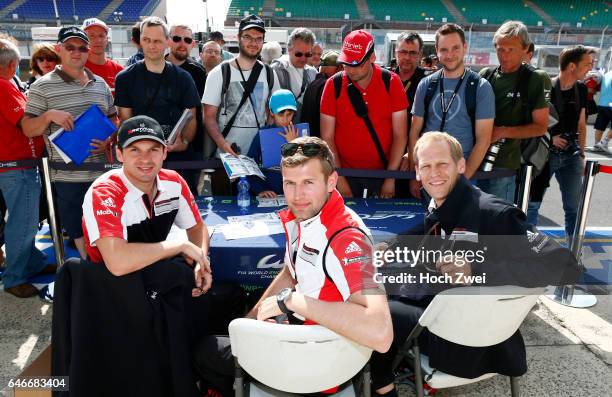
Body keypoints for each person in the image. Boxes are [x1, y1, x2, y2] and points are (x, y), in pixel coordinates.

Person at [369, 132, 580, 397]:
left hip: (467, 346)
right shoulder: (446, 204)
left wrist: (477, 269)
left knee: (371, 306)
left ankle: (380, 385)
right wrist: (391, 245)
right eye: (426, 166)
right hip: (454, 327)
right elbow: (429, 227)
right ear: (418, 174)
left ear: (460, 165)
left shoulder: (494, 213)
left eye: (442, 164)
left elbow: (565, 266)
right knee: (383, 281)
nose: (434, 173)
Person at [193, 136, 393, 396]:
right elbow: (291, 271)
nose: (298, 195)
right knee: (241, 310)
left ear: (331, 182)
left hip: (318, 362)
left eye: (308, 183)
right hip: (308, 338)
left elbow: (381, 332)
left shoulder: (347, 238)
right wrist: (250, 320)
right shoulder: (307, 215)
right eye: (290, 183)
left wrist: (293, 301)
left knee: (203, 351)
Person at [55, 115, 211, 396]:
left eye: (153, 149)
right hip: (108, 295)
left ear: (165, 152)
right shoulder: (105, 191)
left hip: (153, 284)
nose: (145, 159)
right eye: (134, 150)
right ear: (118, 154)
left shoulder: (173, 182)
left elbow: (198, 228)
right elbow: (117, 263)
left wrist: (202, 260)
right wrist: (179, 247)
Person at [21, 26, 118, 260]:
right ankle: (90, 275)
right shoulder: (41, 86)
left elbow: (113, 117)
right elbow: (27, 129)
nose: (77, 52)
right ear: (59, 49)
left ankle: (106, 275)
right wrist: (48, 116)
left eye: (82, 47)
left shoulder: (100, 84)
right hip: (67, 177)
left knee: (106, 229)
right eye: (70, 47)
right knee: (77, 231)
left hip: (102, 174)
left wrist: (107, 139)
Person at [114, 17, 201, 194]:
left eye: (157, 41)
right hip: (141, 160)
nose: (151, 46)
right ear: (140, 41)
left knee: (181, 213)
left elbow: (191, 117)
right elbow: (125, 120)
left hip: (178, 159)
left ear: (167, 42)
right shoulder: (125, 78)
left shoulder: (183, 78)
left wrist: (183, 142)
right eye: (146, 40)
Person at [406, 24, 495, 198]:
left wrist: (463, 182)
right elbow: (414, 132)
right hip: (428, 177)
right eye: (444, 49)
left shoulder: (480, 87)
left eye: (455, 48)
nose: (450, 55)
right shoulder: (426, 85)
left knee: (460, 225)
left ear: (465, 48)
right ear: (437, 51)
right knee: (429, 224)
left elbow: (484, 139)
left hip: (462, 175)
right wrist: (415, 175)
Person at [320, 30, 408, 198]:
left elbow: (400, 135)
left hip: (383, 173)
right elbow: (327, 137)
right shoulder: (333, 84)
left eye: (357, 64)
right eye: (346, 63)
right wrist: (340, 178)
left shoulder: (392, 82)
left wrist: (390, 178)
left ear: (372, 57)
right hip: (344, 172)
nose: (351, 70)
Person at [202, 14, 279, 194]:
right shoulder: (220, 72)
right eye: (248, 37)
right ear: (238, 38)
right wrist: (223, 145)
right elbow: (209, 117)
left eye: (258, 38)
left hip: (258, 163)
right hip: (226, 163)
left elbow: (274, 112)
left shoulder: (269, 73)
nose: (253, 42)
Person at [478, 21, 551, 202]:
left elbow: (541, 127)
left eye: (511, 49)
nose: (504, 55)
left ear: (525, 49)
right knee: (473, 223)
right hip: (475, 159)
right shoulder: (486, 75)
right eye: (500, 49)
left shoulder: (536, 78)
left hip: (506, 165)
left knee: (498, 224)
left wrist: (502, 132)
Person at [527, 46, 595, 236]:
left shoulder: (581, 89)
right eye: (587, 64)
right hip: (545, 155)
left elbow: (582, 124)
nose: (590, 68)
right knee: (532, 205)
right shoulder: (545, 86)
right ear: (572, 66)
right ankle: (528, 248)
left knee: (574, 208)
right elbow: (531, 121)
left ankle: (573, 250)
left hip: (572, 156)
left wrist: (581, 154)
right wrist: (551, 139)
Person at [0, 39, 48, 298]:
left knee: (25, 221)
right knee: (24, 223)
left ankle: (32, 262)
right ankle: (15, 276)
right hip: (17, 166)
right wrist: (51, 116)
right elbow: (27, 125)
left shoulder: (7, 86)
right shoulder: (4, 86)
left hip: (15, 166)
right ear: (12, 65)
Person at [247, 89, 300, 197]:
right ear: (271, 112)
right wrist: (259, 190)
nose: (285, 119)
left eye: (289, 114)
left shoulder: (300, 135)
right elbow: (250, 166)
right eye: (281, 114)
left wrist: (293, 144)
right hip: (269, 195)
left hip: (294, 194)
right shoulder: (262, 135)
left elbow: (306, 167)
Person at [166, 24, 207, 163]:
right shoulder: (155, 67)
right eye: (177, 38)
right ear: (168, 40)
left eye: (187, 40)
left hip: (190, 149)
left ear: (193, 44)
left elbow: (203, 112)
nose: (182, 44)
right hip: (157, 145)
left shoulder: (199, 72)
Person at [271, 27, 318, 122]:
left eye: (307, 54)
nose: (303, 59)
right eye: (299, 54)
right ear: (289, 49)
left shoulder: (313, 73)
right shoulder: (275, 70)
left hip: (304, 131)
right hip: (280, 132)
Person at [300, 50, 342, 137]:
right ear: (339, 68)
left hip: (309, 140)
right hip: (323, 143)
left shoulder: (312, 84)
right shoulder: (330, 87)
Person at [82, 18, 123, 95]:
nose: (98, 40)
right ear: (83, 40)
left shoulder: (119, 70)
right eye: (92, 36)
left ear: (107, 39)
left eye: (101, 36)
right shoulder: (76, 69)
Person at [593, 69, 612, 152]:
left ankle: (597, 145)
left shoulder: (607, 74)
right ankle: (604, 142)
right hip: (611, 103)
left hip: (602, 103)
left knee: (600, 125)